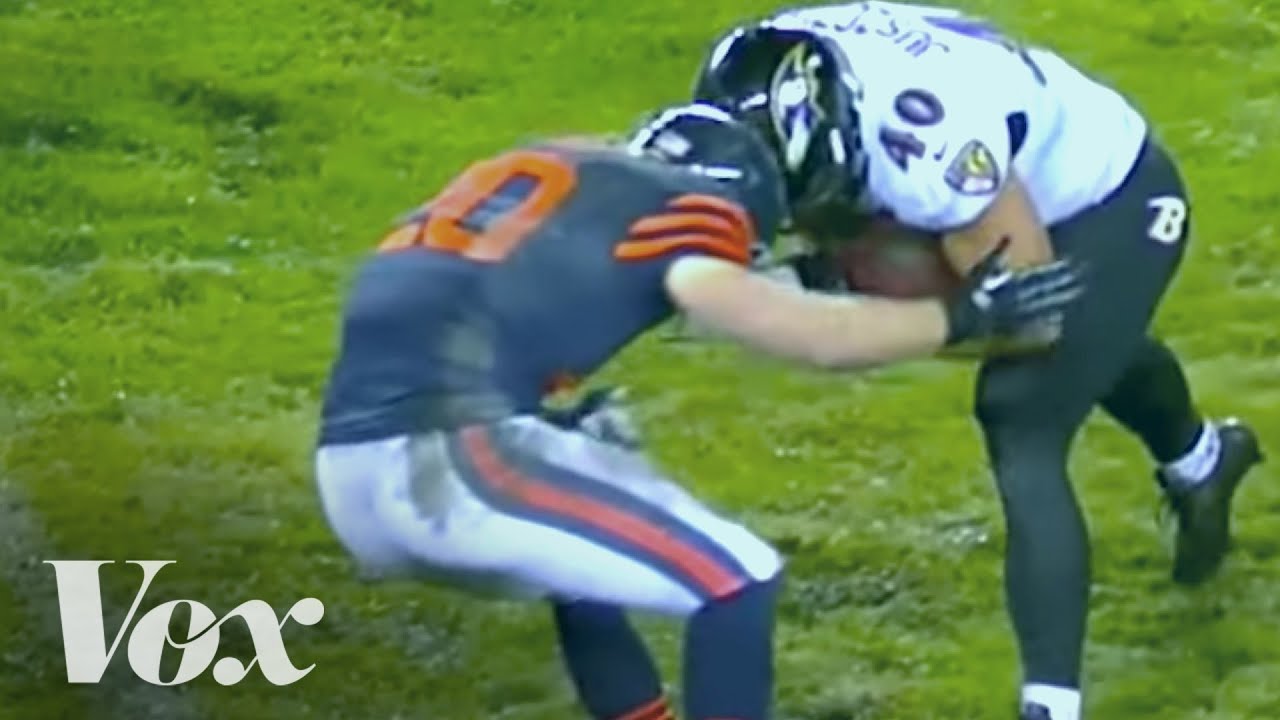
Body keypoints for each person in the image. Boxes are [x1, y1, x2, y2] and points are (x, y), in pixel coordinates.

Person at [312, 102, 1083, 720]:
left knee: (586, 552)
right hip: (450, 459)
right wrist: (962, 318)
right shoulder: (692, 209)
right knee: (737, 579)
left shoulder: (541, 171)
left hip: (353, 468)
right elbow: (811, 335)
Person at [689, 4, 1264, 719]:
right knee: (1094, 344)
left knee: (1021, 411)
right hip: (1005, 162)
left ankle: (1051, 705)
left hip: (1112, 198)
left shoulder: (931, 147)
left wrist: (881, 317)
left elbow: (1031, 318)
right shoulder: (756, 72)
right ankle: (1205, 464)